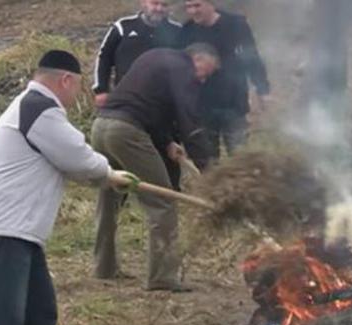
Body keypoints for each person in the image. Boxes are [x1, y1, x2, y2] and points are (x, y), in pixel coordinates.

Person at [0, 50, 133, 325]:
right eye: (80, 86)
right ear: (65, 80)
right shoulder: (39, 108)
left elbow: (68, 163)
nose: (78, 94)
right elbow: (76, 156)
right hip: (5, 230)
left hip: (18, 231)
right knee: (5, 323)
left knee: (40, 315)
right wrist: (108, 172)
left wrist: (105, 178)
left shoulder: (30, 107)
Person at [91, 43, 219, 291]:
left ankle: (103, 267)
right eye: (206, 71)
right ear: (197, 58)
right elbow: (189, 122)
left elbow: (148, 104)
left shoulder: (155, 57)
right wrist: (210, 172)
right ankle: (162, 277)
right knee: (162, 202)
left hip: (101, 126)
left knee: (108, 197)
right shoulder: (183, 69)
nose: (203, 79)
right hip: (126, 132)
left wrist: (167, 142)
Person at [92, 0, 183, 190]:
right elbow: (104, 56)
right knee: (119, 159)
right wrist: (101, 89)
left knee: (166, 151)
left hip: (162, 107)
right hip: (127, 106)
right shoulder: (123, 27)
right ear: (143, 3)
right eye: (155, 3)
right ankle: (120, 198)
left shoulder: (178, 31)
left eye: (164, 5)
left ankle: (170, 193)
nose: (158, 9)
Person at [179, 0, 270, 159]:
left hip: (233, 101)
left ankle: (242, 184)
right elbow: (181, 66)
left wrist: (262, 89)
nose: (193, 11)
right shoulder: (187, 30)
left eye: (197, 5)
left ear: (211, 4)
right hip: (202, 104)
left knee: (240, 157)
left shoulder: (236, 24)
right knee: (208, 160)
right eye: (189, 7)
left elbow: (252, 57)